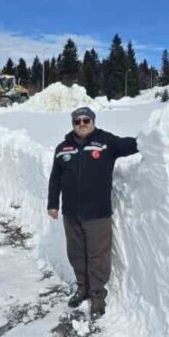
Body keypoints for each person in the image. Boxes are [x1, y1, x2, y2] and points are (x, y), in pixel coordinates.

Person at [47, 106, 138, 317]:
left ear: (93, 121)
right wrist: (53, 204)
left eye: (86, 120)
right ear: (73, 124)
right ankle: (82, 288)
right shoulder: (63, 148)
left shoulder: (106, 142)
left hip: (98, 213)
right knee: (76, 253)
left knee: (98, 255)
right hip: (71, 213)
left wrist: (155, 136)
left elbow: (132, 145)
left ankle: (97, 293)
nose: (82, 124)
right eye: (77, 121)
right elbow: (55, 179)